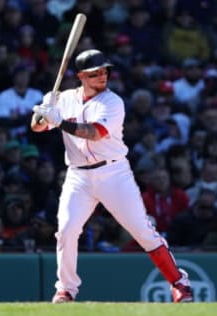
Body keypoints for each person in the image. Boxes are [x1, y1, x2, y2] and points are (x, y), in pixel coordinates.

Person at [30, 49, 193, 303]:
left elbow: (94, 132)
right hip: (78, 176)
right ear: (82, 76)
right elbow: (37, 127)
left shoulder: (112, 102)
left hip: (113, 172)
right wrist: (45, 108)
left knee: (142, 230)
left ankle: (179, 282)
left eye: (104, 71)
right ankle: (66, 289)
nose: (102, 76)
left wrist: (59, 121)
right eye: (95, 73)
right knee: (67, 230)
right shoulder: (64, 99)